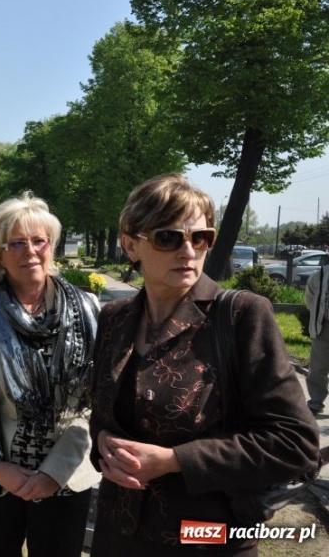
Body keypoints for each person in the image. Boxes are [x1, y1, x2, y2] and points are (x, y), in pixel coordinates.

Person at [90, 173, 320, 556]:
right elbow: (104, 413)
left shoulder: (242, 315)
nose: (189, 251)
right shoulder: (113, 318)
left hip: (207, 538)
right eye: (169, 237)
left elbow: (296, 444)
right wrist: (102, 444)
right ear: (130, 245)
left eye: (201, 237)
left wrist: (174, 461)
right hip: (118, 533)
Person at [0, 192, 100, 557]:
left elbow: (96, 400)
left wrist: (54, 472)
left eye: (38, 240)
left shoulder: (90, 310)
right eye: (16, 243)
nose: (30, 251)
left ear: (51, 245)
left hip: (68, 475)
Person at [304, 265, 329, 415]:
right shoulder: (319, 275)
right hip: (323, 326)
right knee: (318, 366)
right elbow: (309, 298)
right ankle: (316, 401)